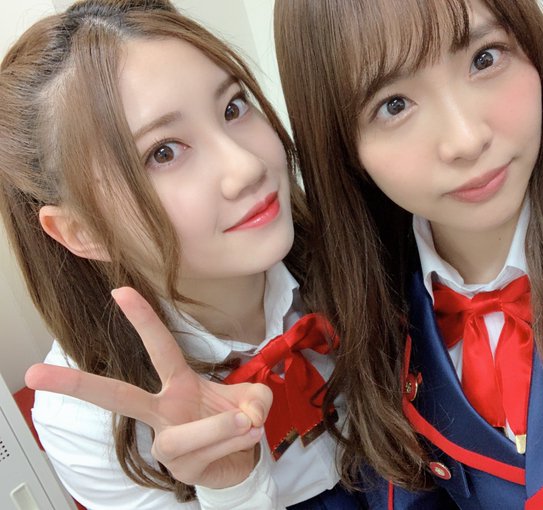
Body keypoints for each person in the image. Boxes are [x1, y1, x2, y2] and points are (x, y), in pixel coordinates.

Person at [273, 0, 543, 508]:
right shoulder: (368, 335)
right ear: (342, 149)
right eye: (394, 105)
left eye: (484, 58)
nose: (465, 140)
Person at [0, 1, 361, 508]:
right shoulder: (89, 419)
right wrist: (231, 489)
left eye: (233, 107)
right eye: (163, 152)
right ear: (82, 231)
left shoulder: (353, 247)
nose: (247, 167)